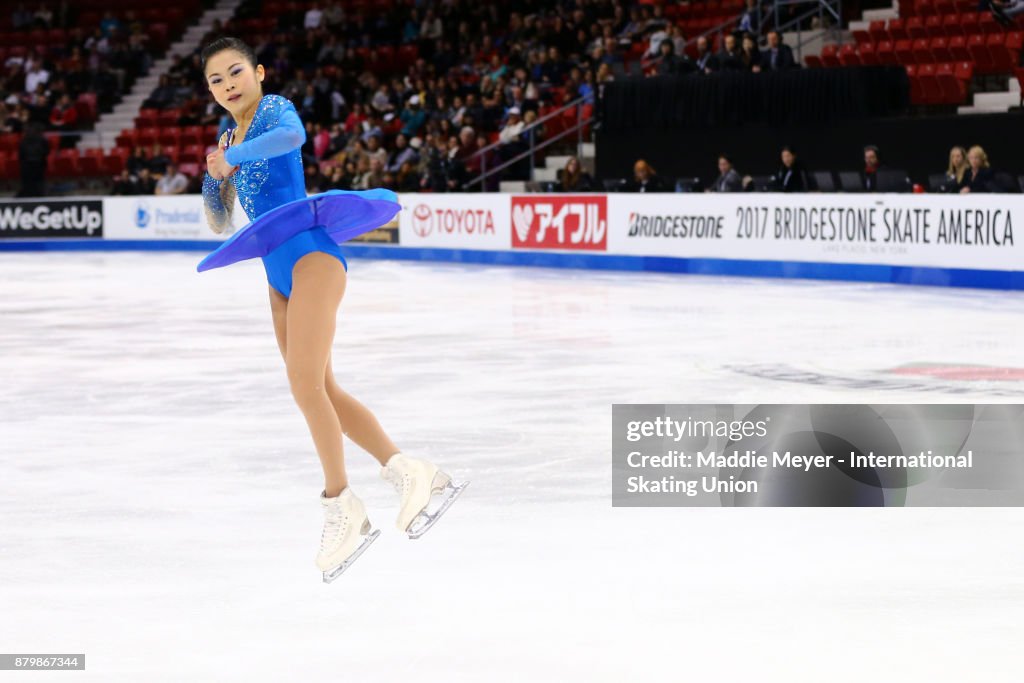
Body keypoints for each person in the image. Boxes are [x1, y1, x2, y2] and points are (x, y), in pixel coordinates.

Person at [196, 37, 467, 582]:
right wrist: (214, 176)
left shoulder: (273, 110)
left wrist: (236, 158)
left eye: (236, 72)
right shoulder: (227, 138)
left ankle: (341, 504)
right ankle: (412, 471)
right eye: (216, 80)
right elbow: (219, 223)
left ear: (259, 72)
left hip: (311, 255)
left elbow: (293, 138)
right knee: (324, 390)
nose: (228, 84)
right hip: (275, 271)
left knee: (304, 387)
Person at [16, 121, 48, 197]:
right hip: (38, 163)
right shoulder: (41, 139)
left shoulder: (24, 140)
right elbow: (46, 151)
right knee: (38, 181)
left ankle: (29, 194)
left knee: (29, 181)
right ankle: (39, 194)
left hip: (28, 164)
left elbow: (21, 154)